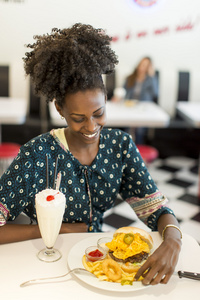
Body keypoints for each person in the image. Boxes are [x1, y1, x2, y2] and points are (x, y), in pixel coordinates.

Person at [0, 23, 181, 285]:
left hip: (97, 260)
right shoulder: (37, 154)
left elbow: (156, 208)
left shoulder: (120, 146)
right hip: (43, 258)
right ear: (60, 109)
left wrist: (173, 239)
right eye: (77, 118)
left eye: (99, 114)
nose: (91, 127)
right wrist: (59, 229)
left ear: (106, 99)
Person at [124, 57, 159, 144]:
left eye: (146, 66)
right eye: (142, 64)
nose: (143, 67)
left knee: (140, 129)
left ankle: (139, 148)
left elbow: (155, 93)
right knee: (128, 126)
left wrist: (152, 76)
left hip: (143, 108)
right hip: (130, 106)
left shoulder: (150, 80)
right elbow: (123, 91)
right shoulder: (130, 78)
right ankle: (128, 146)